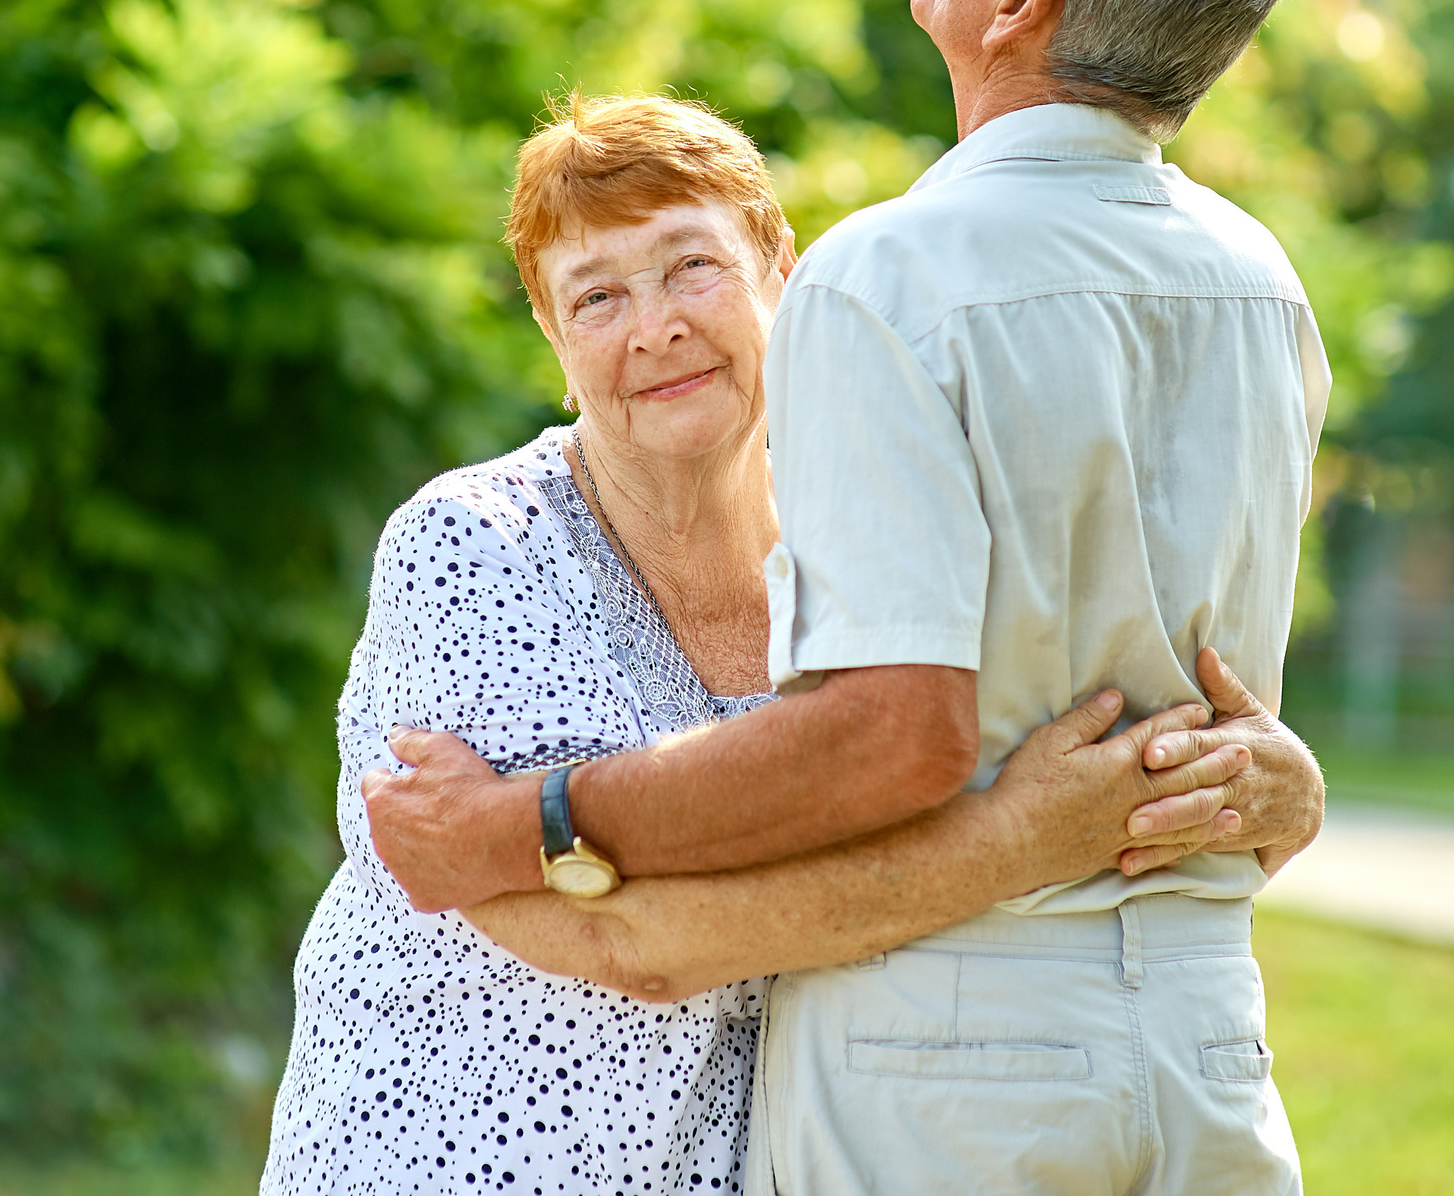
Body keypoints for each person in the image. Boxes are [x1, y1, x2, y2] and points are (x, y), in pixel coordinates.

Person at [360, 0, 1331, 1196]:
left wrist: (531, 820)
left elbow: (893, 739)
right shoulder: (1261, 280)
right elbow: (1205, 711)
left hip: (951, 1067)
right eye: (597, 298)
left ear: (1021, 4)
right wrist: (1288, 795)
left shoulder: (895, 273)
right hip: (1206, 1043)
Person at [260, 93, 1272, 1196]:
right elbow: (638, 941)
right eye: (596, 297)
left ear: (779, 270)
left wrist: (1281, 787)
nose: (654, 328)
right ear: (552, 337)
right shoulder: (472, 547)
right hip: (432, 1165)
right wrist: (1017, 843)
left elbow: (1093, 745)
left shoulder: (867, 539)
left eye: (690, 267)